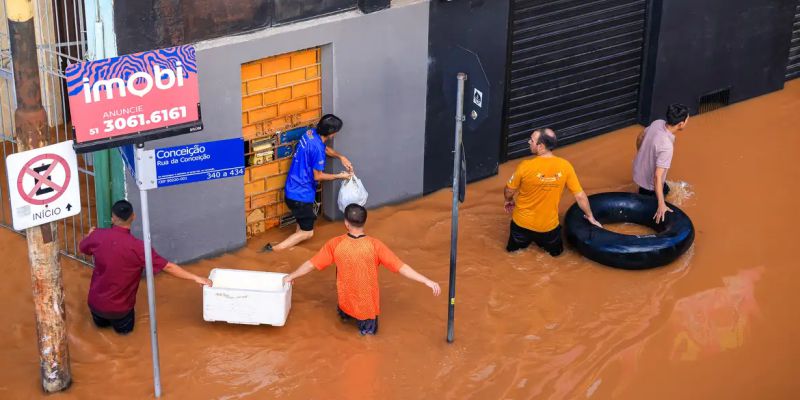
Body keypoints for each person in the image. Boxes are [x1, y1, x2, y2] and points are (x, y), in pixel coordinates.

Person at [283, 204, 441, 335]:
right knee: (367, 342)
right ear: (364, 222)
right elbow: (401, 267)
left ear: (346, 223)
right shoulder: (375, 246)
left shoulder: (335, 244)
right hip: (367, 308)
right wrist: (426, 280)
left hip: (344, 302)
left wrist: (291, 276)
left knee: (342, 326)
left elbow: (311, 264)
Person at [79, 200, 211, 335]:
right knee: (125, 338)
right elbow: (169, 267)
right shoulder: (139, 248)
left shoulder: (97, 235)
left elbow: (83, 248)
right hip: (121, 311)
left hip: (95, 305)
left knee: (100, 334)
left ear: (112, 218)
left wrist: (89, 235)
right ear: (133, 217)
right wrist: (196, 278)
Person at [504, 128, 602, 257]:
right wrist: (590, 216)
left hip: (521, 225)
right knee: (557, 256)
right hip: (548, 229)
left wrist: (509, 200)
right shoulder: (565, 166)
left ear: (541, 146)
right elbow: (579, 195)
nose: (529, 142)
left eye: (532, 140)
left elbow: (509, 190)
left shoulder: (525, 166)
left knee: (512, 255)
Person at [263, 114, 354, 252]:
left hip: (292, 189)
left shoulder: (309, 134)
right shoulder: (317, 149)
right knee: (307, 233)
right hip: (301, 196)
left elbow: (324, 148)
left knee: (301, 227)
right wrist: (340, 176)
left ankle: (291, 248)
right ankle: (273, 250)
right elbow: (317, 176)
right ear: (331, 133)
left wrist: (341, 157)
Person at [633, 103, 690, 223]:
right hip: (649, 185)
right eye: (687, 119)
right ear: (681, 124)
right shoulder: (667, 146)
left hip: (638, 171)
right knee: (655, 215)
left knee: (666, 190)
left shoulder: (657, 123)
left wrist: (641, 154)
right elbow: (657, 176)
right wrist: (661, 204)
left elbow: (640, 136)